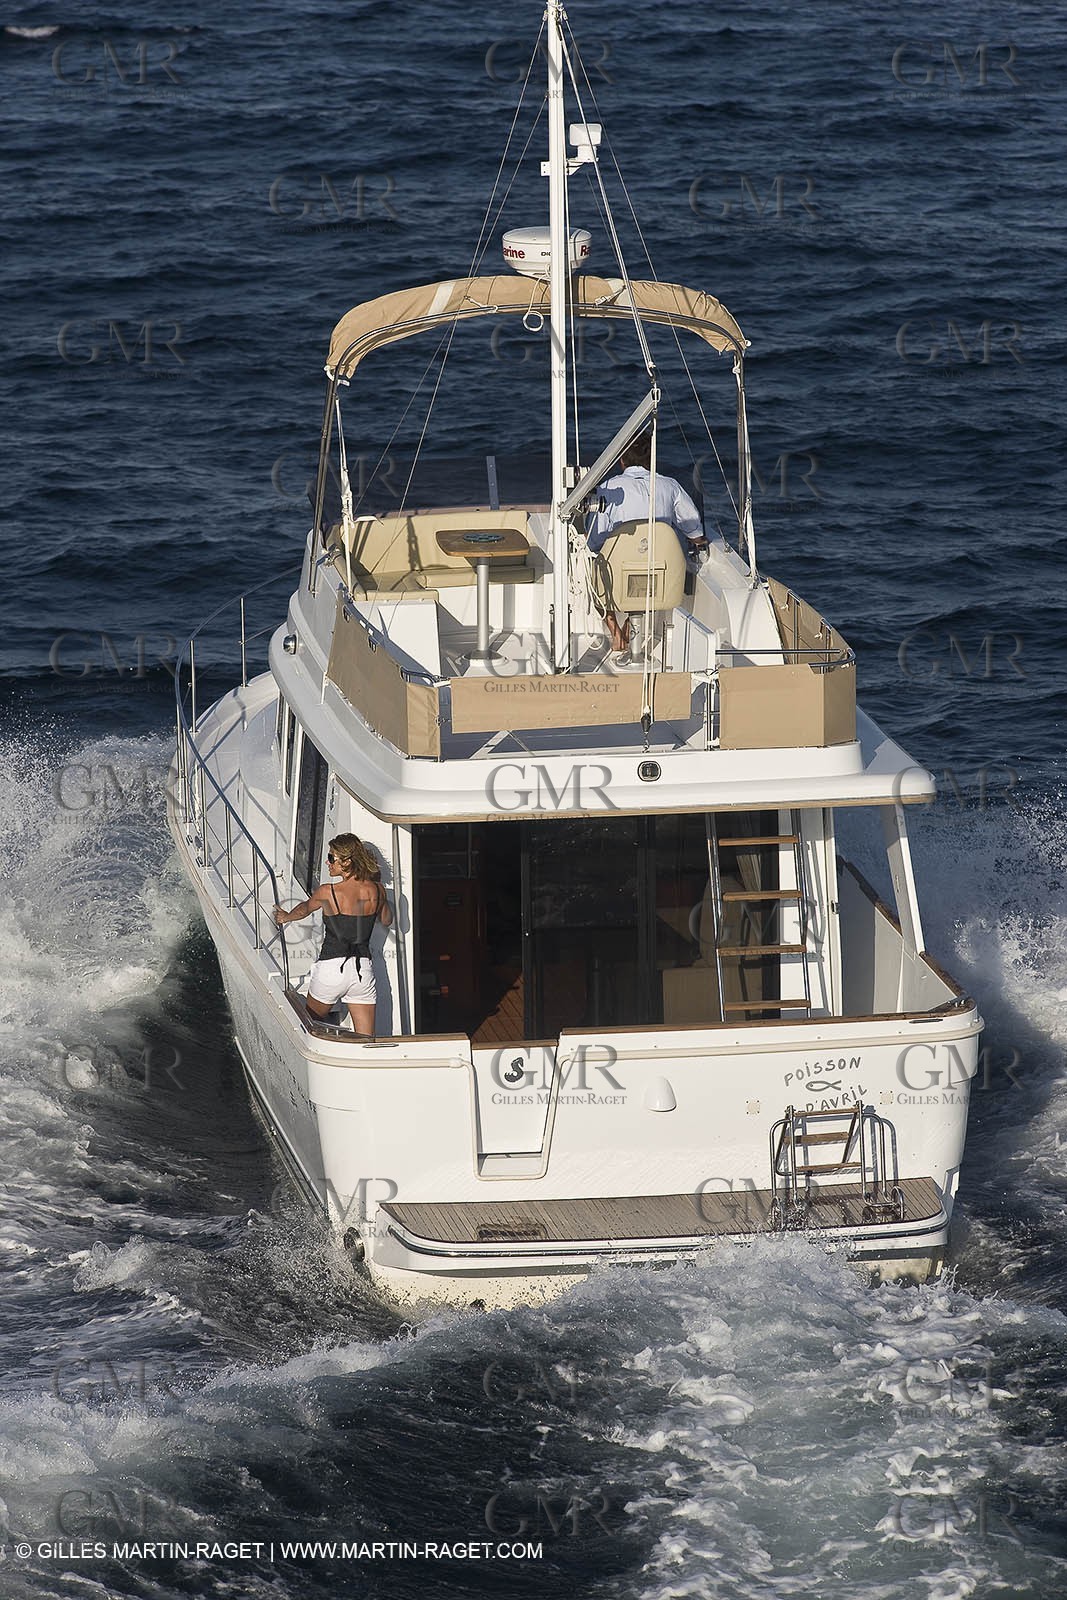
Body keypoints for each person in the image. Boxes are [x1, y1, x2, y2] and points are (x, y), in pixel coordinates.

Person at [587, 434, 711, 651]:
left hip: (618, 574)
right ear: (652, 459)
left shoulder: (608, 489)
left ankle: (615, 631)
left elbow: (593, 542)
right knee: (652, 563)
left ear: (622, 460)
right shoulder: (670, 486)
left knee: (586, 566)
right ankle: (631, 623)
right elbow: (694, 530)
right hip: (661, 575)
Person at [274, 834, 392, 1036]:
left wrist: (285, 917)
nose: (327, 862)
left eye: (331, 857)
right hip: (362, 972)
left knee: (311, 1028)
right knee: (365, 1039)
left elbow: (304, 909)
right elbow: (387, 920)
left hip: (331, 970)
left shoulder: (328, 891)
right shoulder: (377, 890)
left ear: (347, 861)